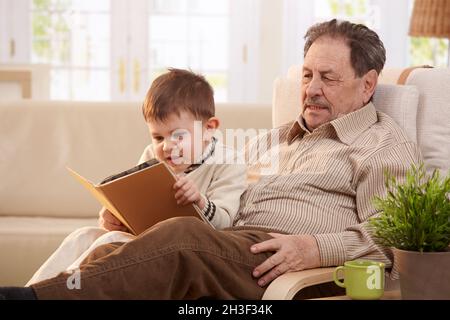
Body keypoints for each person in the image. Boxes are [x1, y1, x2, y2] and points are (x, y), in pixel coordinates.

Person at [0, 19, 421, 300]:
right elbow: (218, 207)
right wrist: (133, 218)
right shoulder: (267, 141)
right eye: (307, 74)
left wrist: (314, 247)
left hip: (282, 266)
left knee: (182, 239)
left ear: (368, 85)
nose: (311, 89)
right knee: (105, 244)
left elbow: (394, 241)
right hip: (227, 246)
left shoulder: (382, 144)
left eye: (328, 78)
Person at [25, 68, 248, 286]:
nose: (167, 146)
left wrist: (199, 200)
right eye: (158, 137)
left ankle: (60, 293)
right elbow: (137, 205)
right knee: (82, 236)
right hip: (145, 240)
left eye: (178, 135)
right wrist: (115, 217)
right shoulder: (152, 156)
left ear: (209, 128)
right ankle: (31, 292)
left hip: (183, 251)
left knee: (109, 243)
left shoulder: (229, 162)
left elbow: (224, 223)